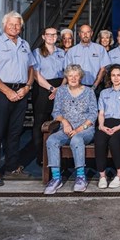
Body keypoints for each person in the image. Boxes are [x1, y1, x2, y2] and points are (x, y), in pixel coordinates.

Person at [0, 11, 35, 187]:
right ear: (4, 25)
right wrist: (7, 91)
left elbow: (31, 69)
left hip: (21, 92)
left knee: (15, 132)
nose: (15, 27)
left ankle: (12, 167)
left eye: (18, 24)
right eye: (11, 24)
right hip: (1, 92)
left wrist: (27, 87)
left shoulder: (24, 44)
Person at [43, 64, 97, 194]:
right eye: (70, 75)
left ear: (80, 77)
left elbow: (93, 114)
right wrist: (65, 122)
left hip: (85, 130)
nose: (73, 78)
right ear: (66, 77)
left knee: (76, 140)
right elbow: (56, 112)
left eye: (76, 75)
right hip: (65, 130)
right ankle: (56, 178)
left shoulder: (89, 91)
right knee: (51, 140)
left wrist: (79, 129)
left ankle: (80, 177)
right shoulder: (61, 91)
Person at [95, 64, 120, 189]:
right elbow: (101, 113)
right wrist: (101, 126)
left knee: (114, 141)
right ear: (109, 77)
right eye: (113, 75)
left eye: (119, 75)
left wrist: (119, 127)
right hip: (106, 123)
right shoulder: (103, 93)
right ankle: (102, 176)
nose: (116, 78)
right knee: (100, 140)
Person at [32, 27, 65, 166]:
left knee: (58, 121)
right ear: (43, 36)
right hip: (43, 88)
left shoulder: (62, 53)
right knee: (40, 123)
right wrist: (52, 89)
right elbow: (35, 74)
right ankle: (41, 156)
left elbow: (67, 73)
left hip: (60, 87)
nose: (52, 36)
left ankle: (56, 156)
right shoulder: (37, 52)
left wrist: (60, 89)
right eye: (48, 34)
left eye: (54, 34)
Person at [64, 23, 111, 89]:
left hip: (96, 87)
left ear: (91, 33)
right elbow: (68, 71)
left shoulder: (100, 49)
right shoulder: (72, 51)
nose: (85, 35)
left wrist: (95, 85)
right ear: (79, 34)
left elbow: (103, 69)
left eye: (88, 32)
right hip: (77, 87)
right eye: (83, 32)